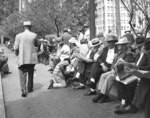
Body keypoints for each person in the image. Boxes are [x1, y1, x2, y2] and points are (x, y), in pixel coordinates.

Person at [114, 38, 150, 116]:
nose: (139, 48)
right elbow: (139, 66)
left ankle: (133, 105)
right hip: (140, 75)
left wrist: (137, 69)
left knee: (140, 82)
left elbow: (147, 68)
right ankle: (128, 103)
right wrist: (132, 66)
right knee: (121, 79)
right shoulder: (138, 54)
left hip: (142, 77)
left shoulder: (146, 55)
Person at [14, 21, 38, 97]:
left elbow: (16, 48)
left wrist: (17, 54)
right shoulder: (34, 35)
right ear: (30, 27)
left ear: (23, 27)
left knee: (22, 75)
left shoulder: (18, 36)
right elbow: (36, 46)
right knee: (30, 74)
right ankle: (30, 88)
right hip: (31, 59)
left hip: (22, 58)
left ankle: (23, 90)